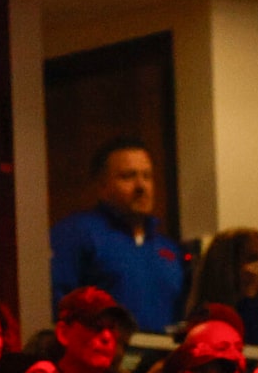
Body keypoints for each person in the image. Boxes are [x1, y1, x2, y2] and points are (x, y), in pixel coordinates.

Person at [47, 139, 188, 335]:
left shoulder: (169, 249)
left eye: (147, 176)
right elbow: (57, 306)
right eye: (128, 176)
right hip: (101, 357)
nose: (141, 186)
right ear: (103, 186)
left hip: (160, 359)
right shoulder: (76, 233)